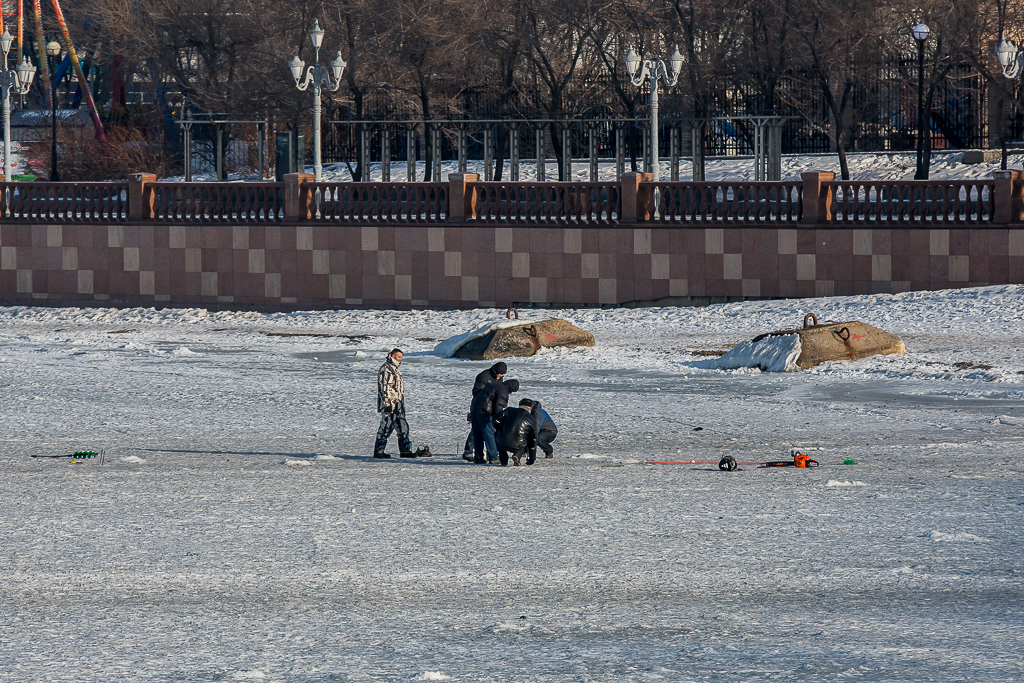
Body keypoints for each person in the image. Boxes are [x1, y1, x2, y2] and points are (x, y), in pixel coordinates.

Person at [374, 348, 415, 458]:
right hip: (390, 404)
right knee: (386, 427)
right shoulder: (386, 369)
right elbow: (384, 388)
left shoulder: (395, 370)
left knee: (403, 427)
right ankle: (379, 451)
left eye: (401, 357)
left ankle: (405, 451)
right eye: (398, 357)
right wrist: (388, 404)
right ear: (392, 356)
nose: (400, 359)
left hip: (398, 403)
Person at [461, 362, 507, 461]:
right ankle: (470, 451)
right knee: (480, 430)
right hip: (481, 407)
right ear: (495, 371)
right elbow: (476, 392)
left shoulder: (499, 378)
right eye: (500, 374)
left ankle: (478, 454)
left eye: (503, 374)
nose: (501, 376)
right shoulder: (483, 376)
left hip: (491, 408)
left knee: (482, 430)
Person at [469, 378, 519, 464]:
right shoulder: (503, 391)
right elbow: (498, 407)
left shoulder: (495, 385)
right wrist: (498, 419)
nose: (510, 393)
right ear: (510, 388)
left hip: (475, 409)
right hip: (484, 412)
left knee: (478, 434)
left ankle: (478, 456)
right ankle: (493, 457)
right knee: (490, 434)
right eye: (511, 391)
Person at [492, 399, 539, 466]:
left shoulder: (509, 410)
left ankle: (504, 461)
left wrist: (500, 427)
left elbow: (495, 419)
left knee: (500, 443)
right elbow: (533, 441)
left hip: (502, 441)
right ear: (530, 408)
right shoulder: (532, 420)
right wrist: (532, 459)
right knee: (524, 442)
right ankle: (517, 455)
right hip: (518, 444)